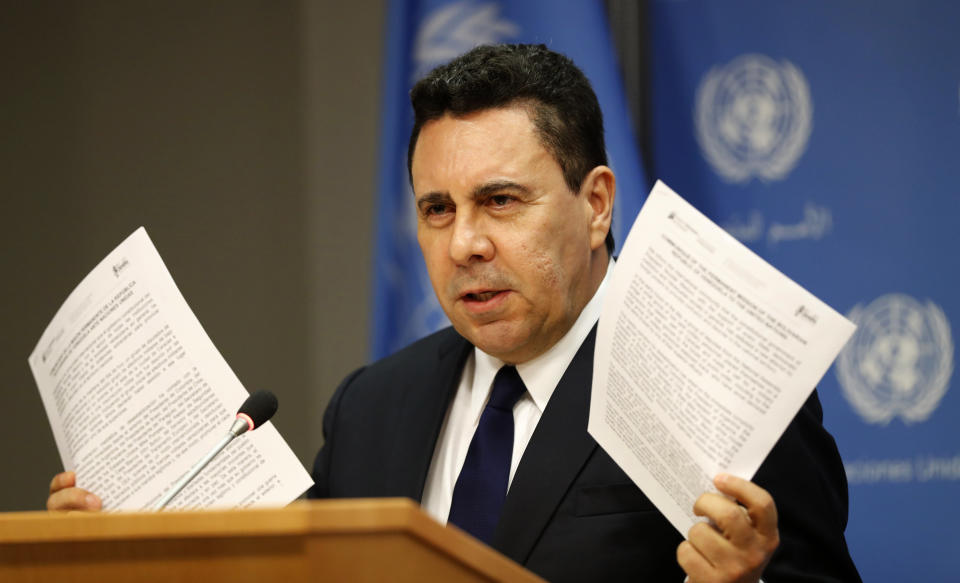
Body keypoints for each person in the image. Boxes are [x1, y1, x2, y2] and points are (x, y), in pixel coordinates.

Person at [48, 44, 860, 582]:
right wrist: (117, 552)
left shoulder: (722, 393)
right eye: (437, 209)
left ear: (598, 204)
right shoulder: (373, 406)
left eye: (500, 201)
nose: (465, 242)